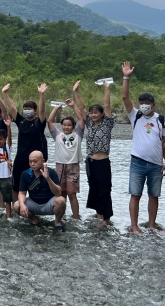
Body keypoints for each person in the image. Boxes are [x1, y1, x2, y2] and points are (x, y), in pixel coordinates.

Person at [122, 61, 165, 234]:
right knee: (135, 195)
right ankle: (134, 227)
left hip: (156, 164)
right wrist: (126, 77)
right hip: (137, 162)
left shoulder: (162, 120)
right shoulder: (135, 115)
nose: (144, 105)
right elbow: (125, 97)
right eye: (142, 102)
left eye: (147, 102)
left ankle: (151, 225)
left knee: (154, 195)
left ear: (154, 105)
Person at [74, 80, 115, 227]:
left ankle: (106, 219)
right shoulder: (89, 123)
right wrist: (76, 92)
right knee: (94, 189)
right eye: (91, 113)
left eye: (96, 112)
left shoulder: (107, 123)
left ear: (102, 114)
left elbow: (108, 105)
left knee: (105, 190)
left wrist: (106, 89)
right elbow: (82, 107)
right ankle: (99, 215)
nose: (93, 114)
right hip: (90, 162)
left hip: (103, 162)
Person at [1, 83, 48, 203]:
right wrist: (4, 93)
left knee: (34, 186)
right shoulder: (21, 122)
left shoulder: (39, 123)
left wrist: (41, 95)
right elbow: (12, 108)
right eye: (25, 109)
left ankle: (34, 208)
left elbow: (42, 111)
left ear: (34, 110)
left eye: (30, 109)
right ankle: (16, 208)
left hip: (35, 160)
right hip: (20, 159)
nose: (27, 111)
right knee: (16, 187)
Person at [47, 98, 84, 219]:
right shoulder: (58, 135)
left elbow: (81, 120)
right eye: (64, 125)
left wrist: (73, 106)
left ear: (73, 126)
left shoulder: (78, 134)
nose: (66, 127)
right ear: (61, 126)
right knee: (61, 193)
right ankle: (60, 216)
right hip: (59, 166)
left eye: (69, 125)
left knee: (72, 194)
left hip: (73, 167)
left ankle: (76, 216)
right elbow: (50, 121)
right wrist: (56, 108)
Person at [14, 151, 66, 231]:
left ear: (43, 161)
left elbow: (58, 193)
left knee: (61, 200)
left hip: (49, 203)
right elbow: (22, 193)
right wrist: (22, 205)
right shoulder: (25, 174)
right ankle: (35, 219)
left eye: (35, 161)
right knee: (17, 205)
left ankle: (57, 222)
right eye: (30, 161)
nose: (32, 164)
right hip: (34, 203)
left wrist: (48, 178)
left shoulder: (51, 172)